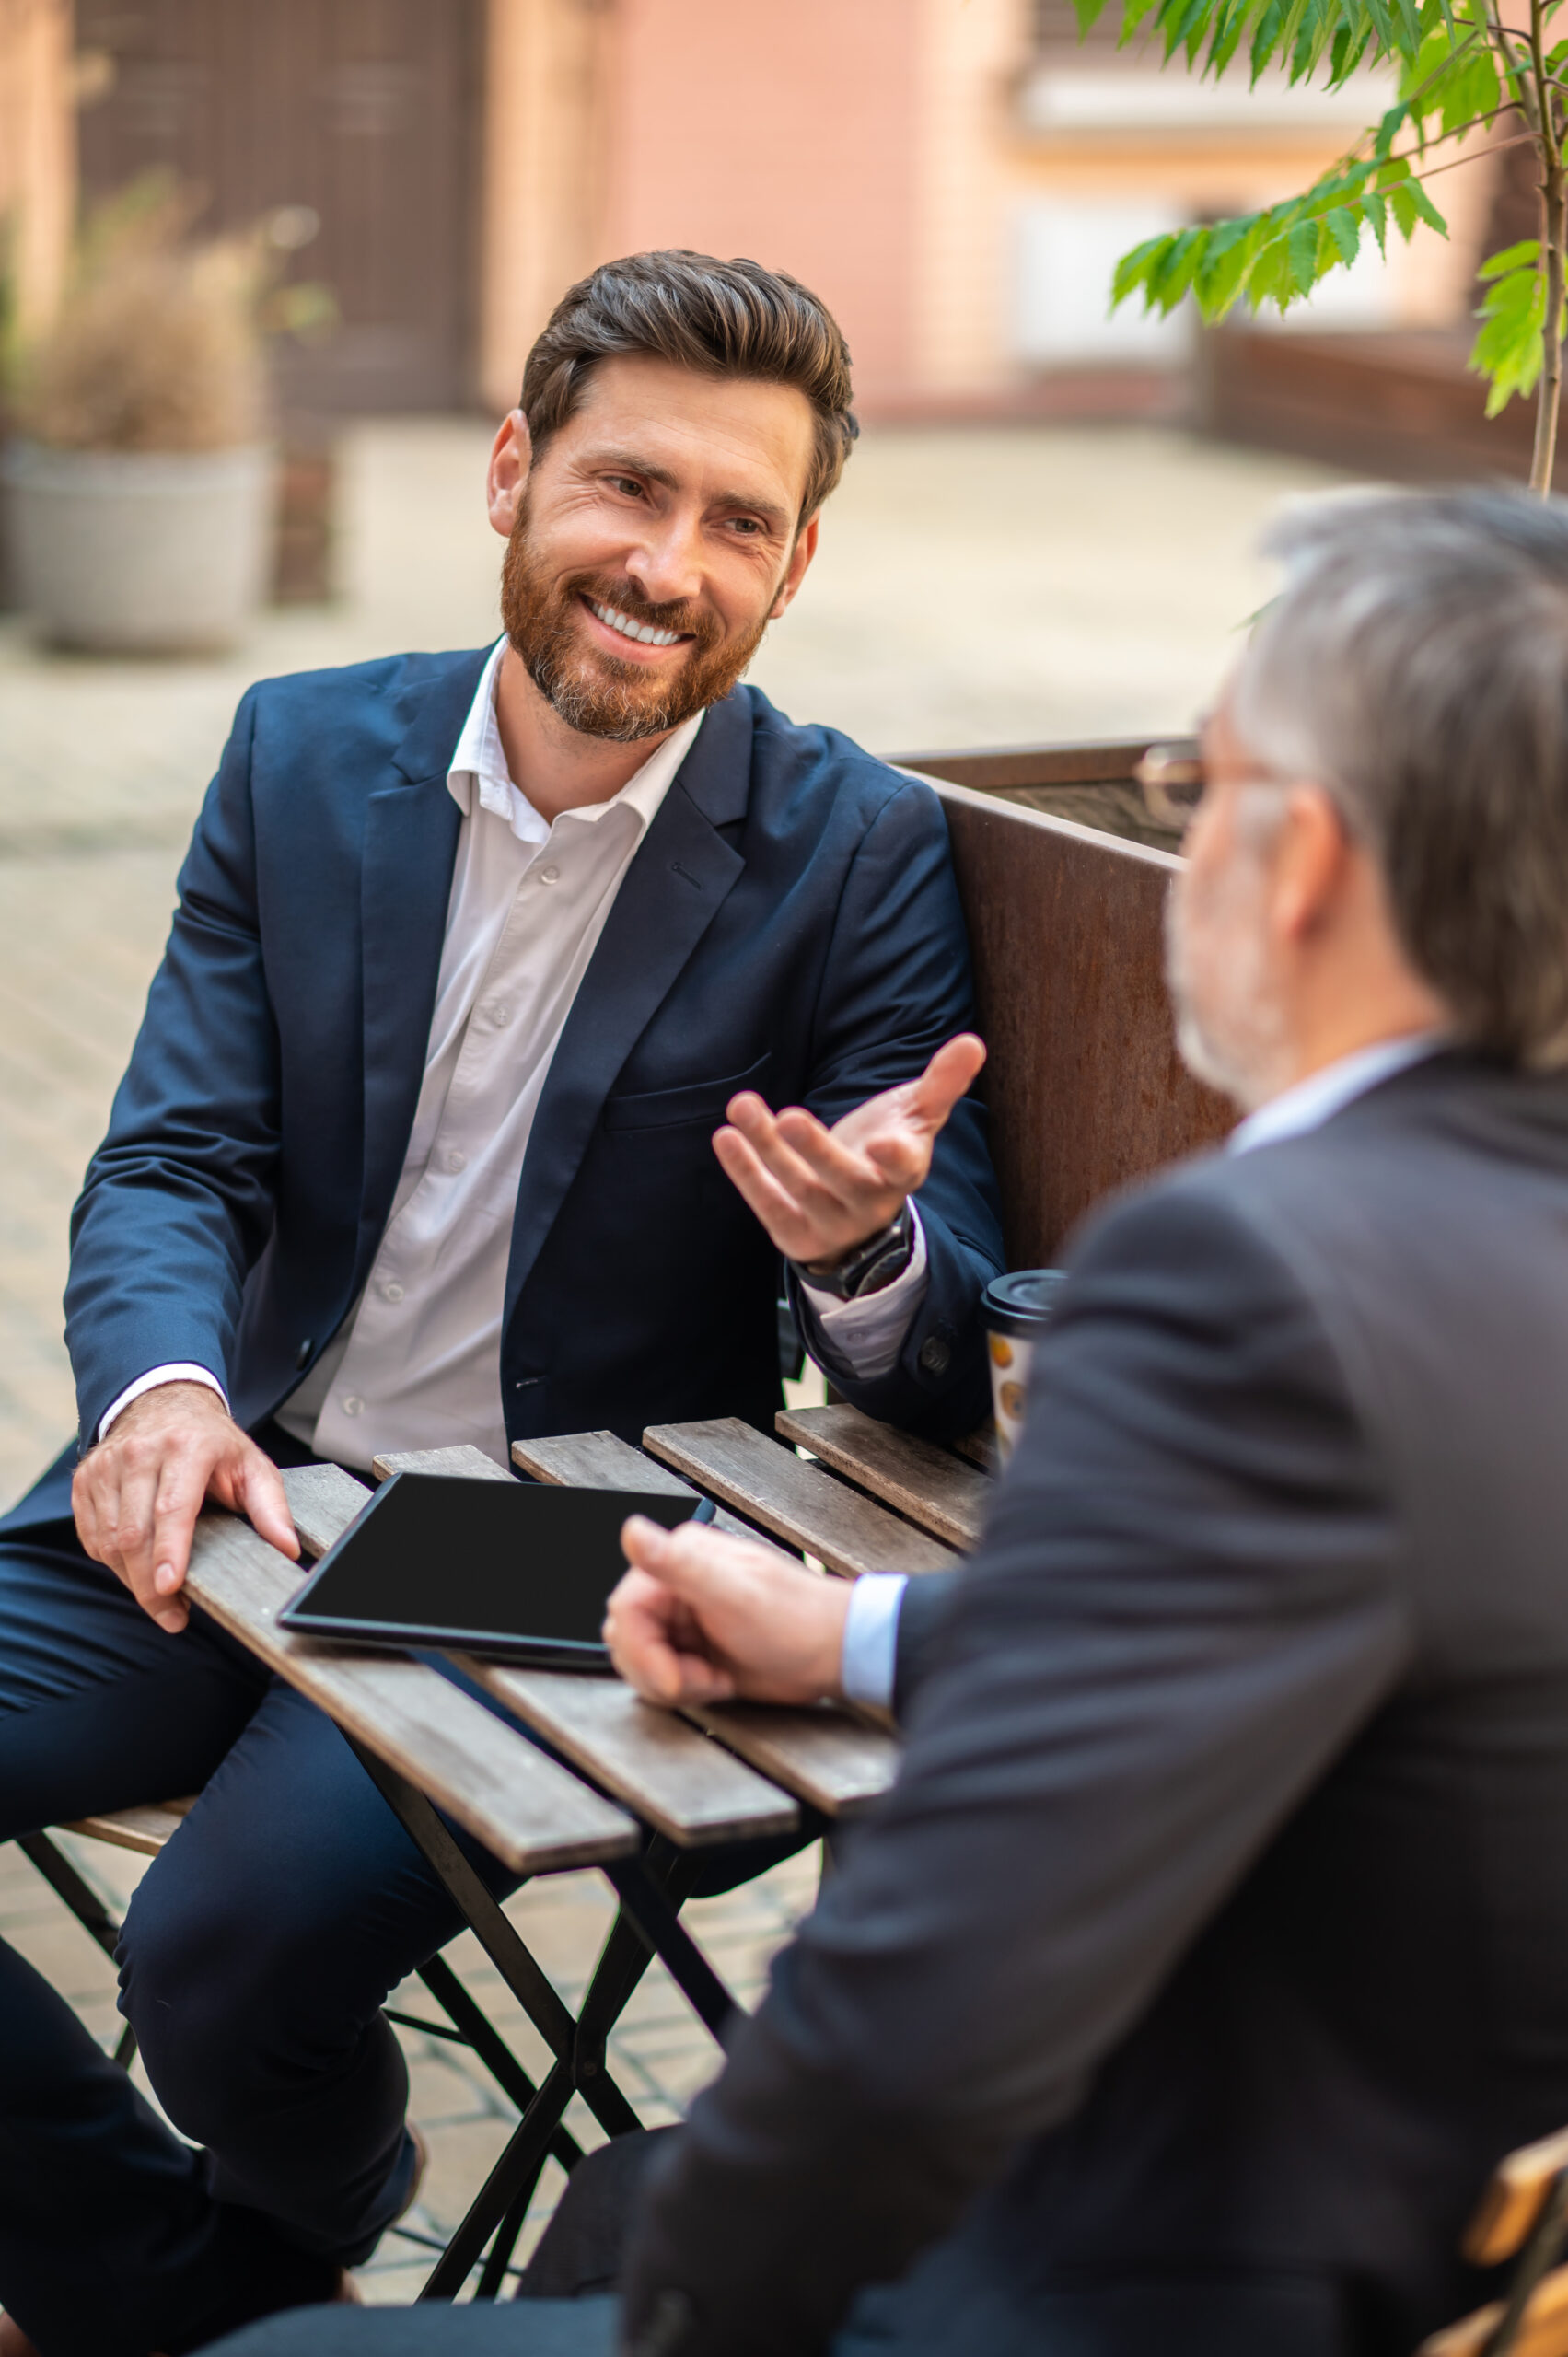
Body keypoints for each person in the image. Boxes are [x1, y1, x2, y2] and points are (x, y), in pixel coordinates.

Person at [221, 484, 1568, 2357]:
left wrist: (689, 2315)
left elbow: (916, 2022)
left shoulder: (1249, 1274)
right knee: (613, 2198)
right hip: (1458, 2248)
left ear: (1309, 859)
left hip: (1151, 2276)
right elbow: (1299, 1636)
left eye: (1199, 787)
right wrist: (855, 1633)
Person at [0, 251, 1003, 2357]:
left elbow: (934, 1368)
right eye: (627, 485)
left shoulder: (857, 846)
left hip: (561, 1552)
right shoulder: (298, 751)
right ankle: (191, 2285)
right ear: (510, 473)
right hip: (242, 1474)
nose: (667, 564)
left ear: (798, 563)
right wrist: (162, 1387)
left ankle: (268, 2244)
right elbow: (176, 1156)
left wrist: (858, 1252)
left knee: (216, 1954)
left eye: (739, 520)